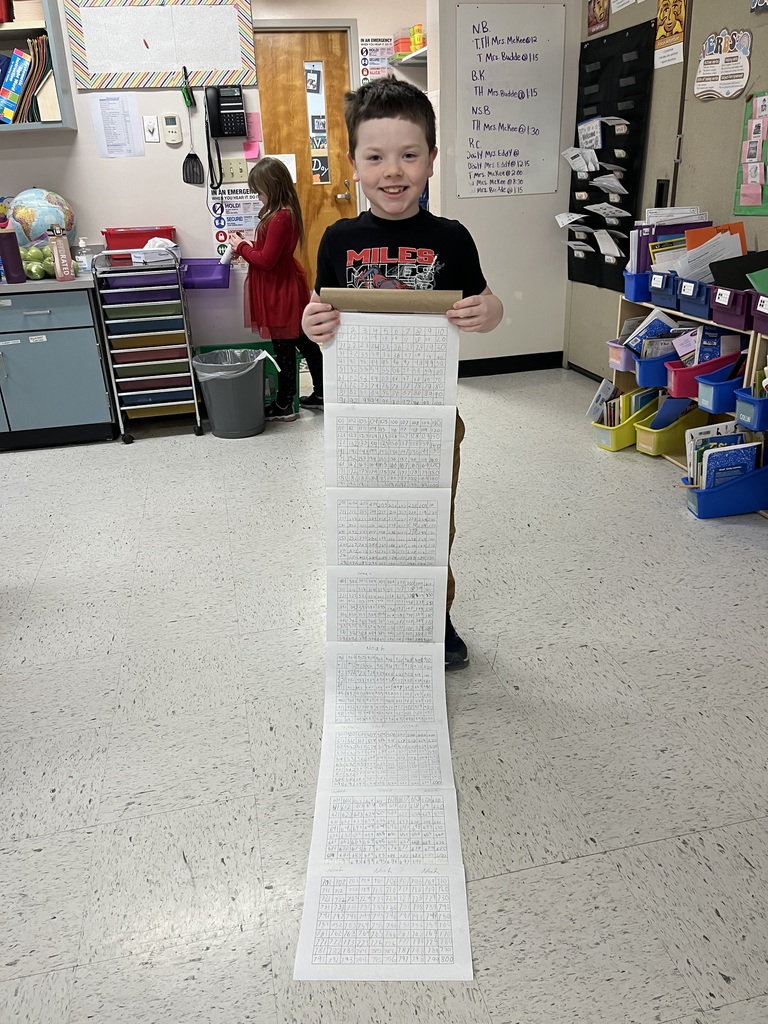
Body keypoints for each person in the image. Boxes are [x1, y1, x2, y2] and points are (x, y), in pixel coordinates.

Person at [302, 78, 503, 670]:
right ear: (354, 164)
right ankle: (371, 613)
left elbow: (487, 307)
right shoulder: (338, 239)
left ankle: (433, 618)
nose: (394, 171)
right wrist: (314, 324)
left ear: (432, 159)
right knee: (365, 523)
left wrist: (487, 312)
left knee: (429, 521)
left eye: (410, 154)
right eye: (376, 156)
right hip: (361, 416)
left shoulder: (450, 239)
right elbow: (322, 317)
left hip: (432, 414)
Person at [228, 157, 324, 421]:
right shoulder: (281, 213)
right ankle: (322, 393)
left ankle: (285, 405)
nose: (257, 196)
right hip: (281, 286)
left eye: (259, 190)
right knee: (303, 341)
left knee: (284, 347)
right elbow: (271, 251)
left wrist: (241, 247)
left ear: (272, 186)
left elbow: (267, 261)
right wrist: (248, 246)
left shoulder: (280, 217)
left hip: (279, 290)